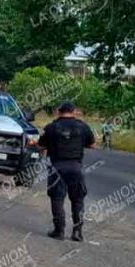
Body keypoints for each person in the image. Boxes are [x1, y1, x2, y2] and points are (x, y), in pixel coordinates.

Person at [37, 101, 96, 242]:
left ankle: (59, 231)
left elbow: (40, 146)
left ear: (59, 111)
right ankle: (77, 232)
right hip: (75, 167)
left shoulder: (50, 127)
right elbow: (92, 144)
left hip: (57, 167)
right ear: (74, 111)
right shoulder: (83, 127)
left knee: (57, 198)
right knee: (77, 199)